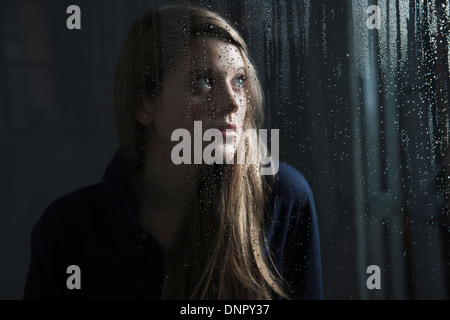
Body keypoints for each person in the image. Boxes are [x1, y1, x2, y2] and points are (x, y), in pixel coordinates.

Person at [23, 5, 323, 300]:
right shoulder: (67, 229)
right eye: (203, 81)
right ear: (144, 106)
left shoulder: (281, 197)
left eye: (240, 81)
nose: (233, 103)